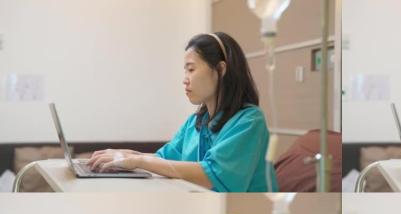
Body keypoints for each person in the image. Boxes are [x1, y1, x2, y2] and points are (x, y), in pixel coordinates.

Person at [87, 33, 278, 192]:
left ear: (220, 69)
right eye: (185, 71)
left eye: (191, 69)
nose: (185, 80)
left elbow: (212, 175)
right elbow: (164, 159)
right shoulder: (196, 121)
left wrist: (137, 160)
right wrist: (125, 154)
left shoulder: (250, 121)